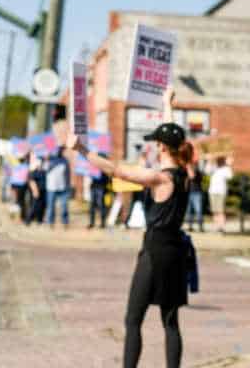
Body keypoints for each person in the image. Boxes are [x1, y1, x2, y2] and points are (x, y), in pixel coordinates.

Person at [67, 88, 191, 368]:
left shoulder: (159, 178)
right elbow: (174, 135)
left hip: (154, 253)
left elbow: (116, 171)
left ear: (161, 147)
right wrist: (166, 105)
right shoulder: (185, 175)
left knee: (133, 319)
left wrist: (82, 149)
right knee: (170, 321)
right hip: (176, 252)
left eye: (156, 143)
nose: (152, 146)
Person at [45, 146, 71, 228]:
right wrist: (47, 159)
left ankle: (65, 222)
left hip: (63, 187)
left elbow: (68, 174)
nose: (59, 151)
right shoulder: (50, 160)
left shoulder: (65, 161)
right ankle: (50, 222)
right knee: (51, 206)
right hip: (51, 187)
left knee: (64, 206)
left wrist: (68, 185)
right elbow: (44, 169)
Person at [207, 156, 233, 233]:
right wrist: (209, 161)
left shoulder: (225, 169)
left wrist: (229, 165)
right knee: (214, 211)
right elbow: (207, 171)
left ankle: (222, 227)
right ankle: (217, 226)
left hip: (221, 192)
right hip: (212, 192)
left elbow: (230, 176)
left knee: (221, 210)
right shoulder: (214, 168)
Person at [88, 154, 111, 229]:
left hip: (101, 188)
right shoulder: (94, 167)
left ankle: (102, 223)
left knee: (101, 206)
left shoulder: (105, 169)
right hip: (94, 187)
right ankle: (92, 223)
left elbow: (108, 180)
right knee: (92, 206)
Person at [26, 155, 47, 226]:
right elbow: (32, 181)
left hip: (44, 191)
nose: (42, 163)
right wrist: (35, 191)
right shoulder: (34, 171)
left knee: (42, 207)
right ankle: (28, 220)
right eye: (41, 162)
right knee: (34, 206)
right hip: (36, 192)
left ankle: (39, 220)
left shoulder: (44, 171)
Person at [185, 160, 205, 232]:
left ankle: (200, 227)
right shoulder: (187, 172)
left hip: (197, 193)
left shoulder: (197, 171)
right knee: (188, 211)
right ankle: (190, 226)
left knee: (198, 211)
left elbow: (192, 176)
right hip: (188, 193)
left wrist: (189, 169)